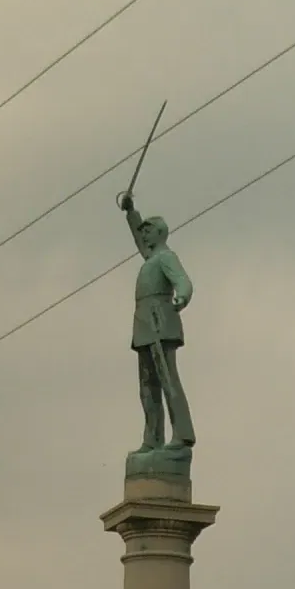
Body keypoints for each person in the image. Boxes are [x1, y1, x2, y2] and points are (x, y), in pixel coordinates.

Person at [118, 192, 194, 450]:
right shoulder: (150, 258)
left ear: (159, 233)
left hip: (160, 321)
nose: (144, 235)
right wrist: (131, 212)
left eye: (147, 230)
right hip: (144, 326)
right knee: (147, 387)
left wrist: (182, 298)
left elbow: (183, 281)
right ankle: (152, 438)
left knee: (168, 379)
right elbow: (138, 239)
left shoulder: (165, 257)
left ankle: (182, 434)